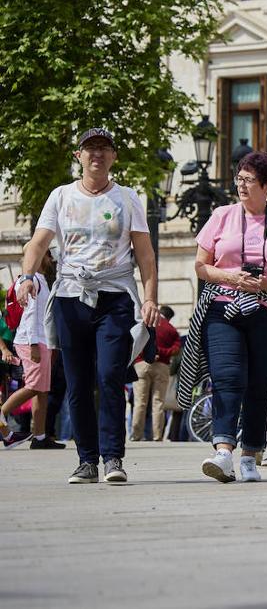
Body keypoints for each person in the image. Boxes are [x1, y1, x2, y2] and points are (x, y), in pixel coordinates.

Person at [13, 128, 161, 483]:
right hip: (70, 297)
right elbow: (37, 243)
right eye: (90, 148)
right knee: (78, 382)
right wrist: (27, 276)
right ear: (78, 156)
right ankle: (87, 460)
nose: (97, 154)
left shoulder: (126, 198)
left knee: (110, 375)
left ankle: (113, 458)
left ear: (114, 157)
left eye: (104, 149)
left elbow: (145, 254)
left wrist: (151, 297)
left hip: (115, 297)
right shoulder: (61, 196)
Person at [180, 152, 267, 483]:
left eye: (249, 180)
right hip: (223, 305)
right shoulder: (221, 215)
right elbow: (200, 266)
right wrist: (232, 277)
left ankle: (250, 453)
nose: (242, 186)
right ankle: (223, 452)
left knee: (260, 383)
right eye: (239, 179)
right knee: (227, 377)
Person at [1, 253, 64, 450]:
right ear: (40, 257)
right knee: (35, 387)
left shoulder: (41, 280)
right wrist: (34, 344)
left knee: (42, 390)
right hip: (32, 341)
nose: (52, 258)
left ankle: (40, 436)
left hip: (41, 340)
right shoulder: (32, 280)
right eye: (48, 254)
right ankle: (1, 414)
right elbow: (30, 315)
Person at [131, 305, 180, 441]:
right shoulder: (171, 329)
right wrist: (161, 352)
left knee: (140, 402)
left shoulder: (146, 323)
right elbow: (176, 349)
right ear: (169, 317)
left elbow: (136, 342)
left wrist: (150, 353)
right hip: (162, 366)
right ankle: (157, 436)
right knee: (158, 402)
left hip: (142, 364)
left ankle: (136, 435)